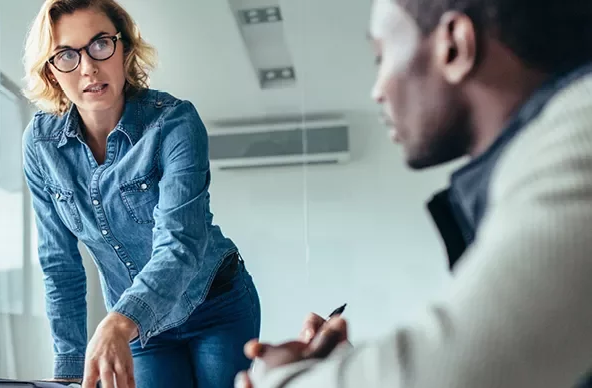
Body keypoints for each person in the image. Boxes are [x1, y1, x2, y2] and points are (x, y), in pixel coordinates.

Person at [237, 0, 592, 386]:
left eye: (380, 56)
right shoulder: (534, 158)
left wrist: (286, 380)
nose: (377, 90)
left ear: (454, 46)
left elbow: (457, 372)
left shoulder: (581, 135)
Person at [21, 1, 260, 387]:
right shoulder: (40, 144)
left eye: (101, 45)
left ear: (125, 50)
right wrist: (67, 372)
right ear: (51, 71)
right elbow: (58, 264)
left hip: (216, 305)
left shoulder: (174, 122)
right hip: (139, 330)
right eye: (66, 54)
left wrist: (118, 321)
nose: (88, 67)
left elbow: (180, 242)